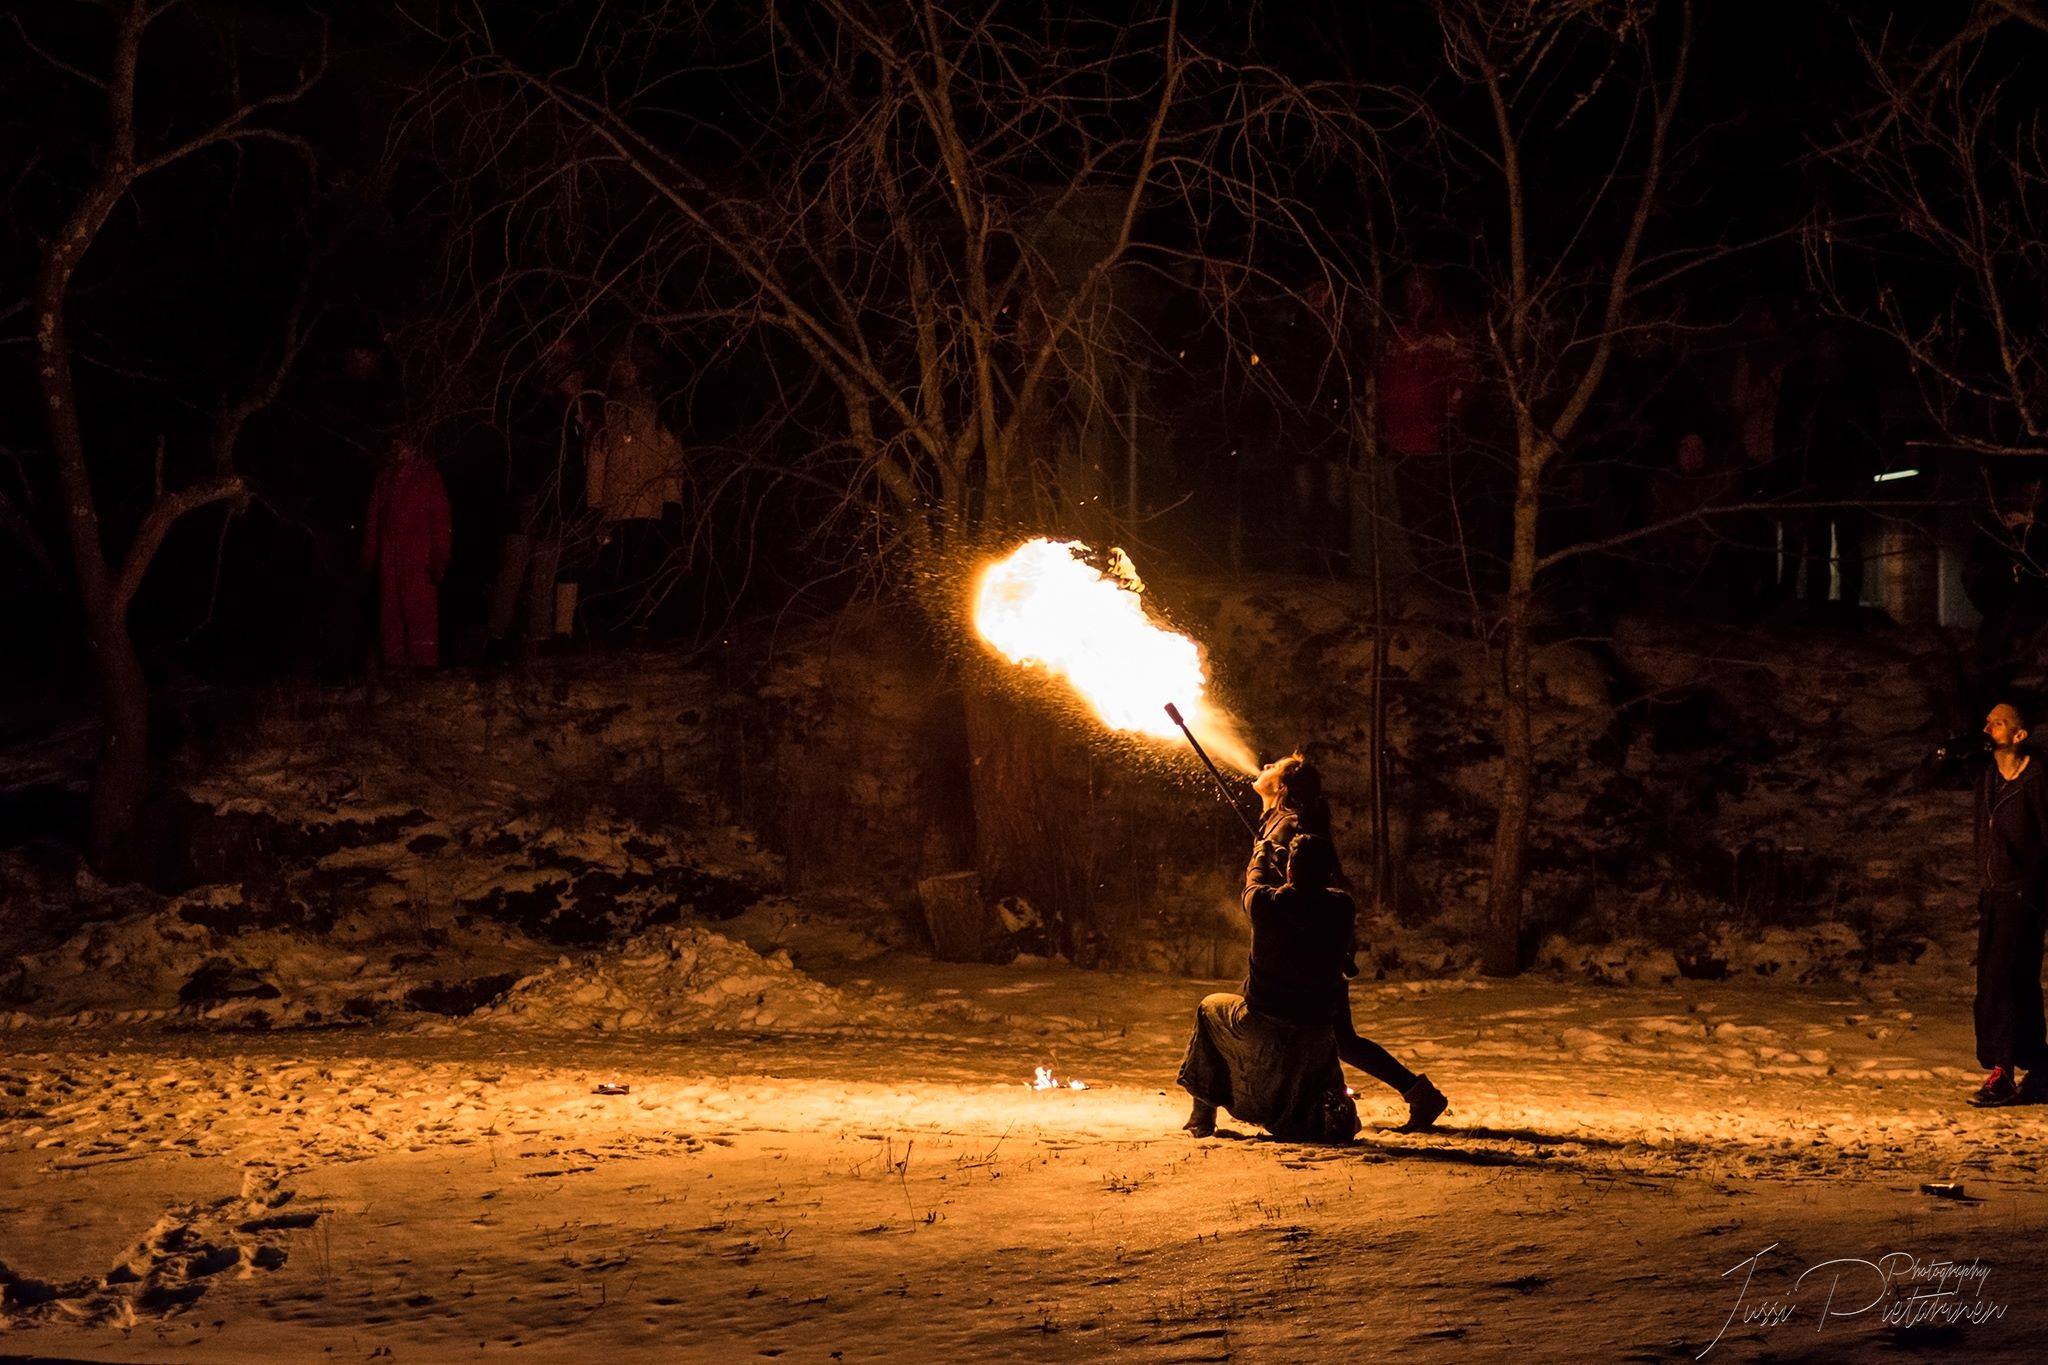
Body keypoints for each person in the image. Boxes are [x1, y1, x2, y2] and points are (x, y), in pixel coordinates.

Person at [1253, 753, 1448, 1129]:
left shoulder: (1291, 825)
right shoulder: (1280, 820)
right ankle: (1417, 1094)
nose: (1264, 768)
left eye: (1272, 767)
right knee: (1339, 1039)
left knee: (1304, 1033)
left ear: (1283, 787)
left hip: (1303, 950)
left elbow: (1297, 884)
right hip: (1302, 947)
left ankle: (1318, 1105)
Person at [1177, 832, 1359, 1142]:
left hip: (1263, 1022)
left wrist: (1261, 855)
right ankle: (1330, 1115)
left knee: (1209, 1008)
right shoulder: (1342, 906)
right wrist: (1289, 867)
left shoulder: (1265, 903)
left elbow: (1253, 882)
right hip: (1317, 1029)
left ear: (1290, 870)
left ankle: (1202, 1115)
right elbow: (1311, 899)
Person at [1969, 702, 2048, 1106]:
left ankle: (2003, 1072)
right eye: (1987, 721)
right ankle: (2039, 1068)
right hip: (1994, 895)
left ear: (2019, 735)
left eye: (1997, 723)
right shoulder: (1988, 776)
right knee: (2004, 983)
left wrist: (2033, 888)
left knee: (2003, 982)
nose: (1988, 729)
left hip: (2024, 896)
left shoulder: (2037, 780)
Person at [362, 434, 452, 671]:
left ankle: (423, 669)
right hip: (390, 560)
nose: (398, 448)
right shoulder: (385, 478)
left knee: (419, 614)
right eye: (395, 443)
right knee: (391, 615)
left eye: (403, 443)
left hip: (419, 560)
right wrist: (370, 556)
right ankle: (395, 669)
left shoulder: (427, 476)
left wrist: (439, 557)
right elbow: (373, 520)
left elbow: (440, 519)